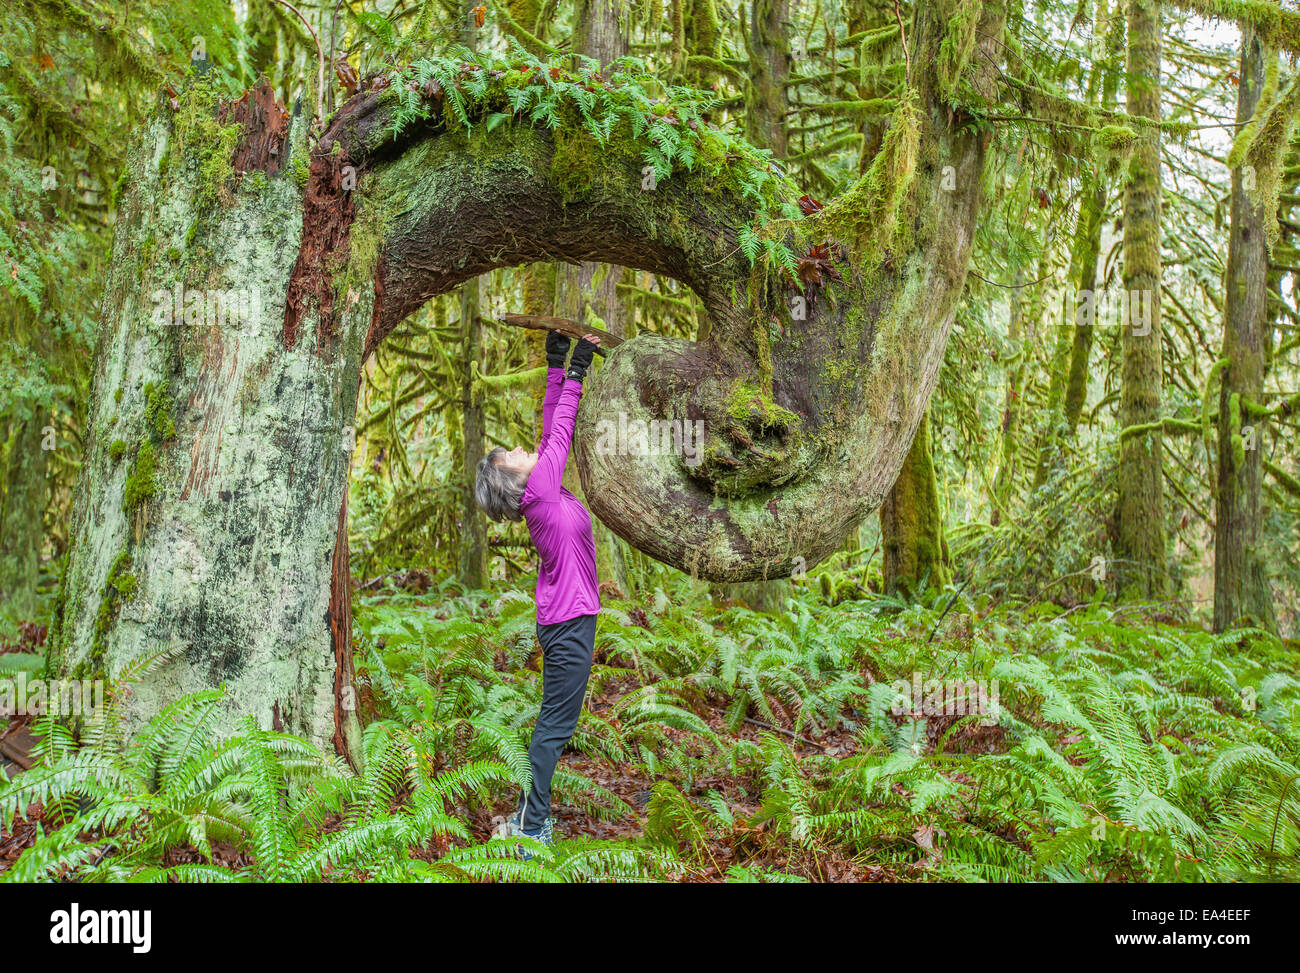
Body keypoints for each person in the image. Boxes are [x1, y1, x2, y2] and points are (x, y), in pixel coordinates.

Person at [473, 329, 603, 855]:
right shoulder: (542, 491)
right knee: (554, 728)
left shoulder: (541, 491)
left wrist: (556, 365)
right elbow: (562, 432)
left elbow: (550, 434)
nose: (526, 448)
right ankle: (532, 830)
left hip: (564, 619)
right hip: (570, 624)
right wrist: (578, 371)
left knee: (552, 724)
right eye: (515, 453)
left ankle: (528, 818)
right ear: (512, 475)